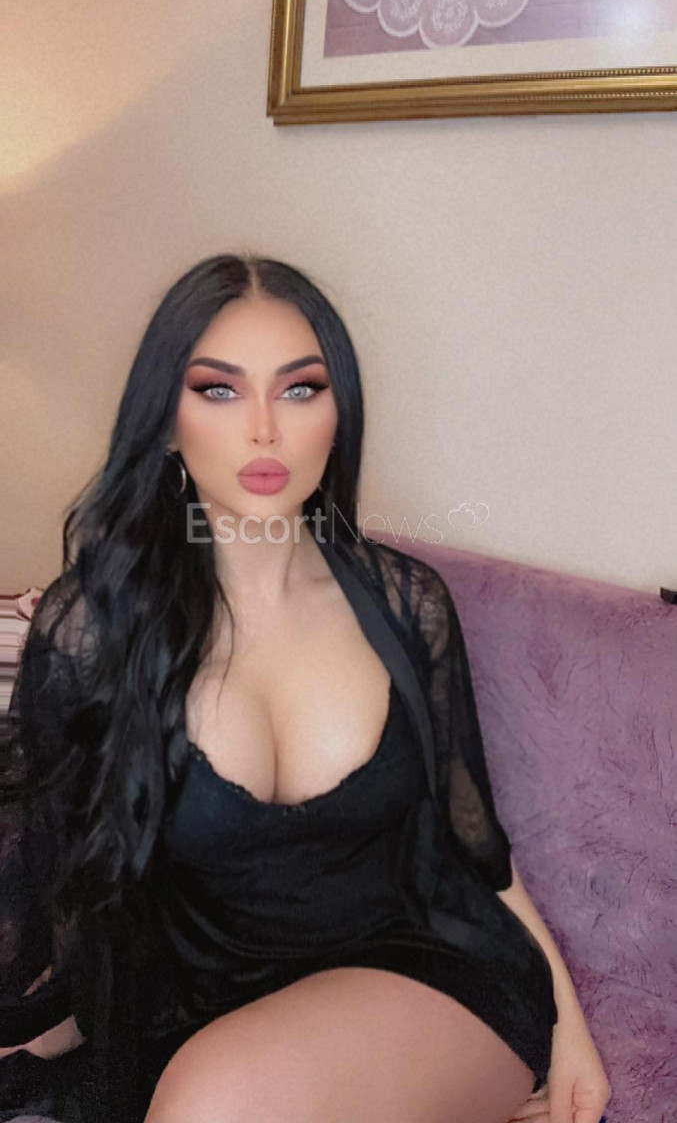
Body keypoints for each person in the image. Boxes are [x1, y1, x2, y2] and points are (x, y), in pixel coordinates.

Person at [0, 253, 609, 1123]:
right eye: (219, 390)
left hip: (421, 973)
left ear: (337, 412)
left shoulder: (405, 606)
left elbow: (471, 846)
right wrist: (57, 1025)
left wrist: (568, 1028)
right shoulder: (93, 628)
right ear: (164, 420)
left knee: (216, 1102)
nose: (264, 430)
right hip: (199, 1003)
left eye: (298, 389)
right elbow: (66, 876)